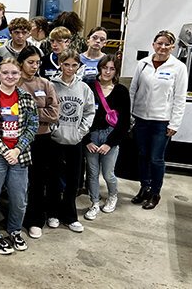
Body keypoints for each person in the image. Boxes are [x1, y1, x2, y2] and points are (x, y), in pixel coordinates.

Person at [0, 59, 39, 255]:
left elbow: (33, 126)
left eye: (14, 73)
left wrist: (17, 150)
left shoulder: (26, 98)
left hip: (19, 157)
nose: (10, 77)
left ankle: (14, 230)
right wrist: (5, 151)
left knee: (19, 198)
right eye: (5, 73)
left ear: (20, 74)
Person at [129, 30, 187, 210]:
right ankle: (144, 187)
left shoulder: (178, 67)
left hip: (162, 122)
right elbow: (133, 90)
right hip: (140, 119)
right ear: (153, 44)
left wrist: (174, 123)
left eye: (167, 44)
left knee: (156, 158)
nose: (162, 47)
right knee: (142, 155)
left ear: (173, 47)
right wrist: (130, 116)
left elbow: (180, 98)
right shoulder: (143, 64)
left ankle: (155, 193)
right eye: (159, 43)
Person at [48, 50, 95, 233]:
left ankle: (69, 216)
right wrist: (54, 129)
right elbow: (46, 108)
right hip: (55, 139)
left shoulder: (84, 88)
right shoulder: (51, 85)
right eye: (66, 64)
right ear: (60, 64)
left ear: (79, 66)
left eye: (74, 65)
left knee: (73, 180)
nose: (70, 68)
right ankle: (52, 213)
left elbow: (90, 111)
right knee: (53, 178)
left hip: (75, 140)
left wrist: (81, 131)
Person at [17, 46, 60, 240]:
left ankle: (35, 220)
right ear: (21, 63)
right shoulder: (14, 82)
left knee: (38, 180)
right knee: (18, 182)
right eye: (30, 62)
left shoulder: (45, 84)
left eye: (37, 62)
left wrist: (29, 112)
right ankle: (16, 219)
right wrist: (37, 113)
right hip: (17, 139)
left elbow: (54, 113)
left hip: (42, 139)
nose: (34, 66)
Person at [83, 54, 130, 220]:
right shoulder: (89, 86)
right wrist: (87, 140)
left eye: (112, 69)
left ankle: (112, 196)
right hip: (92, 135)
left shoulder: (121, 91)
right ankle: (94, 202)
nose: (107, 72)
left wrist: (110, 144)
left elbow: (124, 123)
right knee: (92, 172)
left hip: (111, 135)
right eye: (105, 67)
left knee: (109, 173)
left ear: (116, 71)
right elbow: (82, 115)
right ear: (99, 67)